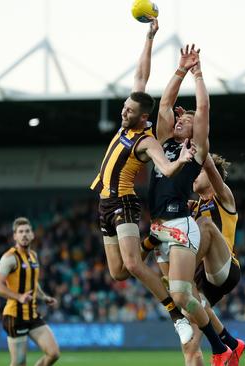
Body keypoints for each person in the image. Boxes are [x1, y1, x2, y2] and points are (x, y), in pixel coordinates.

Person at [89, 18, 195, 344]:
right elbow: (141, 76)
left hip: (124, 202)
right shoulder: (126, 123)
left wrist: (181, 160)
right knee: (118, 273)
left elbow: (166, 164)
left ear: (142, 117)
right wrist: (149, 38)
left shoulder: (147, 140)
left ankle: (176, 317)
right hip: (104, 202)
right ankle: (153, 238)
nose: (123, 112)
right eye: (124, 107)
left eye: (129, 110)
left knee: (134, 265)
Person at [148, 45, 233, 366]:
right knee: (180, 299)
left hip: (181, 225)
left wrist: (198, 74)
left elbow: (204, 107)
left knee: (184, 296)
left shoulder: (196, 152)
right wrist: (180, 69)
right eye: (180, 118)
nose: (182, 118)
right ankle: (224, 344)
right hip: (158, 227)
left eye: (188, 118)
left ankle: (220, 344)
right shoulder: (163, 143)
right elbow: (166, 104)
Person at [180, 153, 245, 366]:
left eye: (198, 172)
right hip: (202, 278)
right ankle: (231, 344)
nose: (194, 177)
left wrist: (194, 140)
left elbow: (207, 161)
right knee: (190, 346)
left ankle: (180, 274)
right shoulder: (195, 207)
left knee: (206, 226)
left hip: (225, 268)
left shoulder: (223, 196)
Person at [0, 217, 60, 366]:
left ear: (33, 235)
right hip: (15, 316)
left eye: (27, 231)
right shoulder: (9, 258)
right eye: (20, 232)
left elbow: (33, 283)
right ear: (15, 236)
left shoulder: (33, 256)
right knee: (19, 363)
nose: (24, 235)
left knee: (53, 353)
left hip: (32, 315)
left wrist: (44, 297)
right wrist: (19, 297)